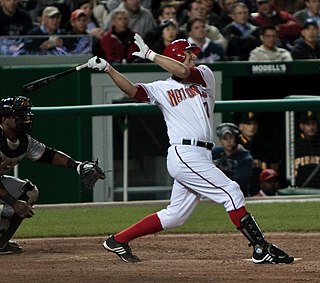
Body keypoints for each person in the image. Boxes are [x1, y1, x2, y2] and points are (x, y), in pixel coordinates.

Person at [86, 34, 294, 264]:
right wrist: (108, 68)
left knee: (176, 216)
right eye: (188, 53)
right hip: (184, 153)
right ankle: (260, 248)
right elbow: (134, 91)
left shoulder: (204, 75)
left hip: (201, 154)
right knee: (232, 192)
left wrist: (150, 55)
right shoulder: (161, 88)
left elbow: (184, 72)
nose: (194, 57)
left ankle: (117, 240)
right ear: (176, 56)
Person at [0, 96, 105, 254]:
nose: (26, 117)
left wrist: (77, 166)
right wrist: (14, 203)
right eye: (19, 114)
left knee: (28, 192)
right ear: (5, 119)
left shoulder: (23, 140)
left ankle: (1, 242)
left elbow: (48, 155)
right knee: (16, 200)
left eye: (26, 113)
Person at [212, 123, 253, 196]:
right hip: (217, 196)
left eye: (231, 137)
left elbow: (240, 180)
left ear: (236, 138)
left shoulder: (245, 157)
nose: (228, 141)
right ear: (220, 140)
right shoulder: (214, 153)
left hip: (239, 196)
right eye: (225, 138)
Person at [237, 112, 268, 196]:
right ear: (241, 126)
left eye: (254, 124)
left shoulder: (261, 144)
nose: (252, 127)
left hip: (258, 188)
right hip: (240, 188)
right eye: (248, 124)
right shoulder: (236, 144)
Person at [294, 110, 320, 188]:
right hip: (300, 189)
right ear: (301, 126)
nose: (311, 127)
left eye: (314, 124)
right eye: (308, 124)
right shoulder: (294, 145)